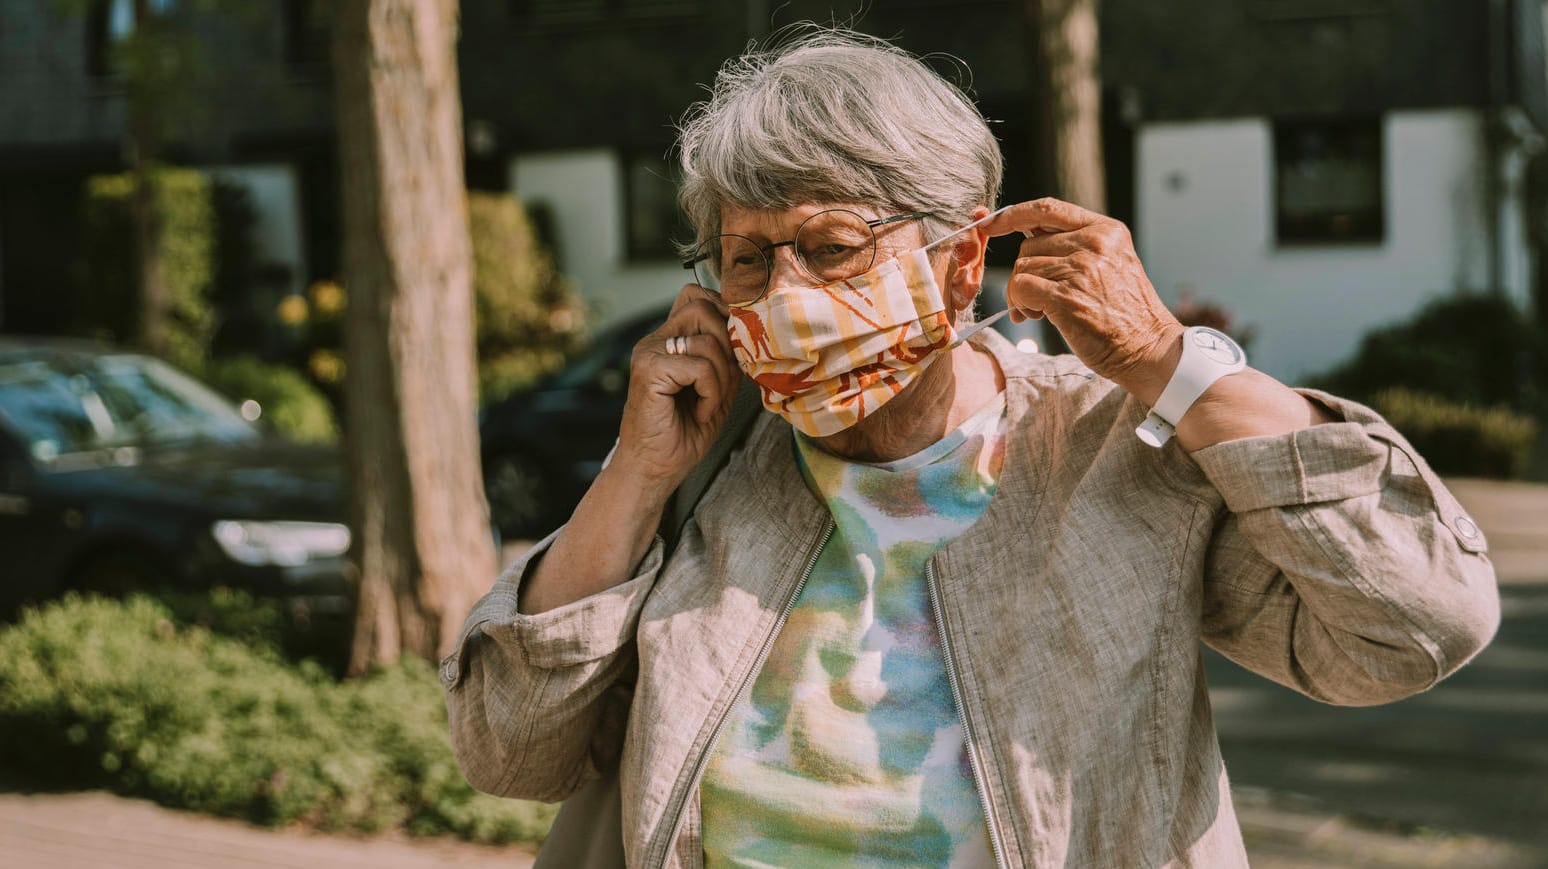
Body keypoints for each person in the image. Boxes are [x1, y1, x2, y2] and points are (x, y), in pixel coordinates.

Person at [440, 27, 1499, 868]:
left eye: (834, 246)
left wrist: (1176, 368)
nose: (788, 293)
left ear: (956, 269)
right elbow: (508, 746)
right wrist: (638, 470)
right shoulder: (716, 463)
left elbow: (1414, 627)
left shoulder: (1110, 446)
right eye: (750, 258)